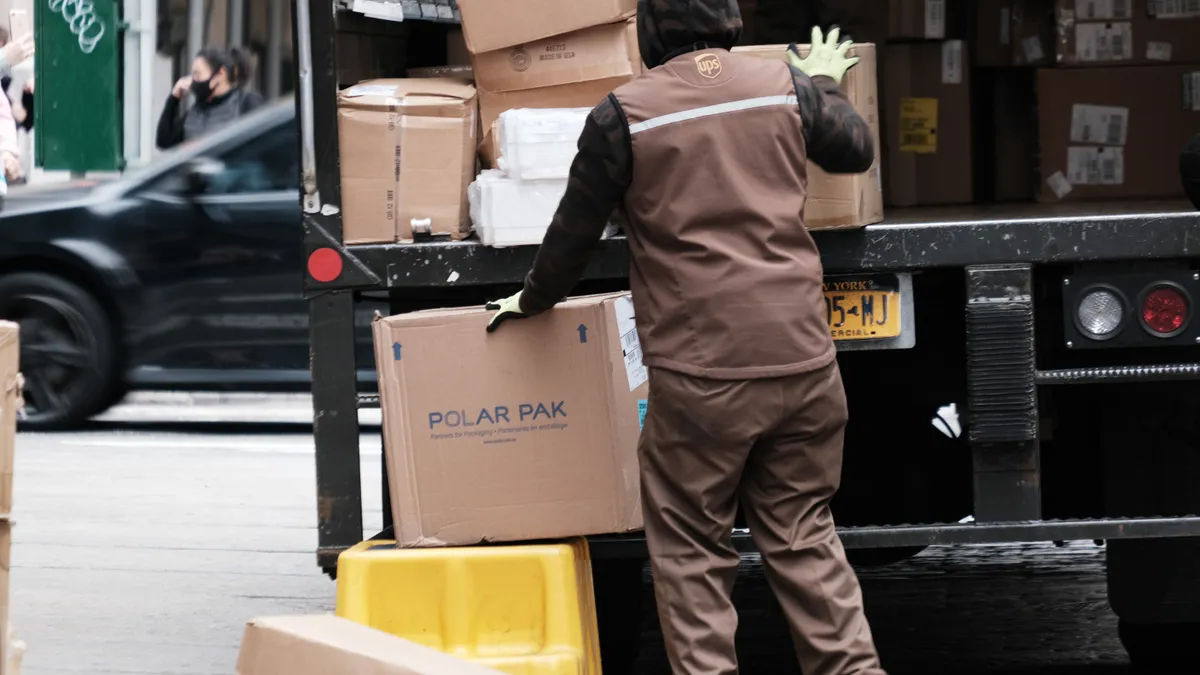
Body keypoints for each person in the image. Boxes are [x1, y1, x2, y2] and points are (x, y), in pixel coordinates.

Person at [484, 1, 885, 673]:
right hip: (804, 361)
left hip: (704, 376)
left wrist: (532, 298)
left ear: (647, 33)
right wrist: (822, 83)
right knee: (804, 533)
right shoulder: (783, 86)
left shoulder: (624, 114)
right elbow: (856, 151)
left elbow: (573, 236)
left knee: (692, 547)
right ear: (729, 21)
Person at [156, 46, 263, 150]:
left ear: (221, 74)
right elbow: (164, 141)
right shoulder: (195, 111)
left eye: (198, 75)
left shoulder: (245, 102)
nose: (192, 80)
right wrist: (174, 97)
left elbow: (260, 145)